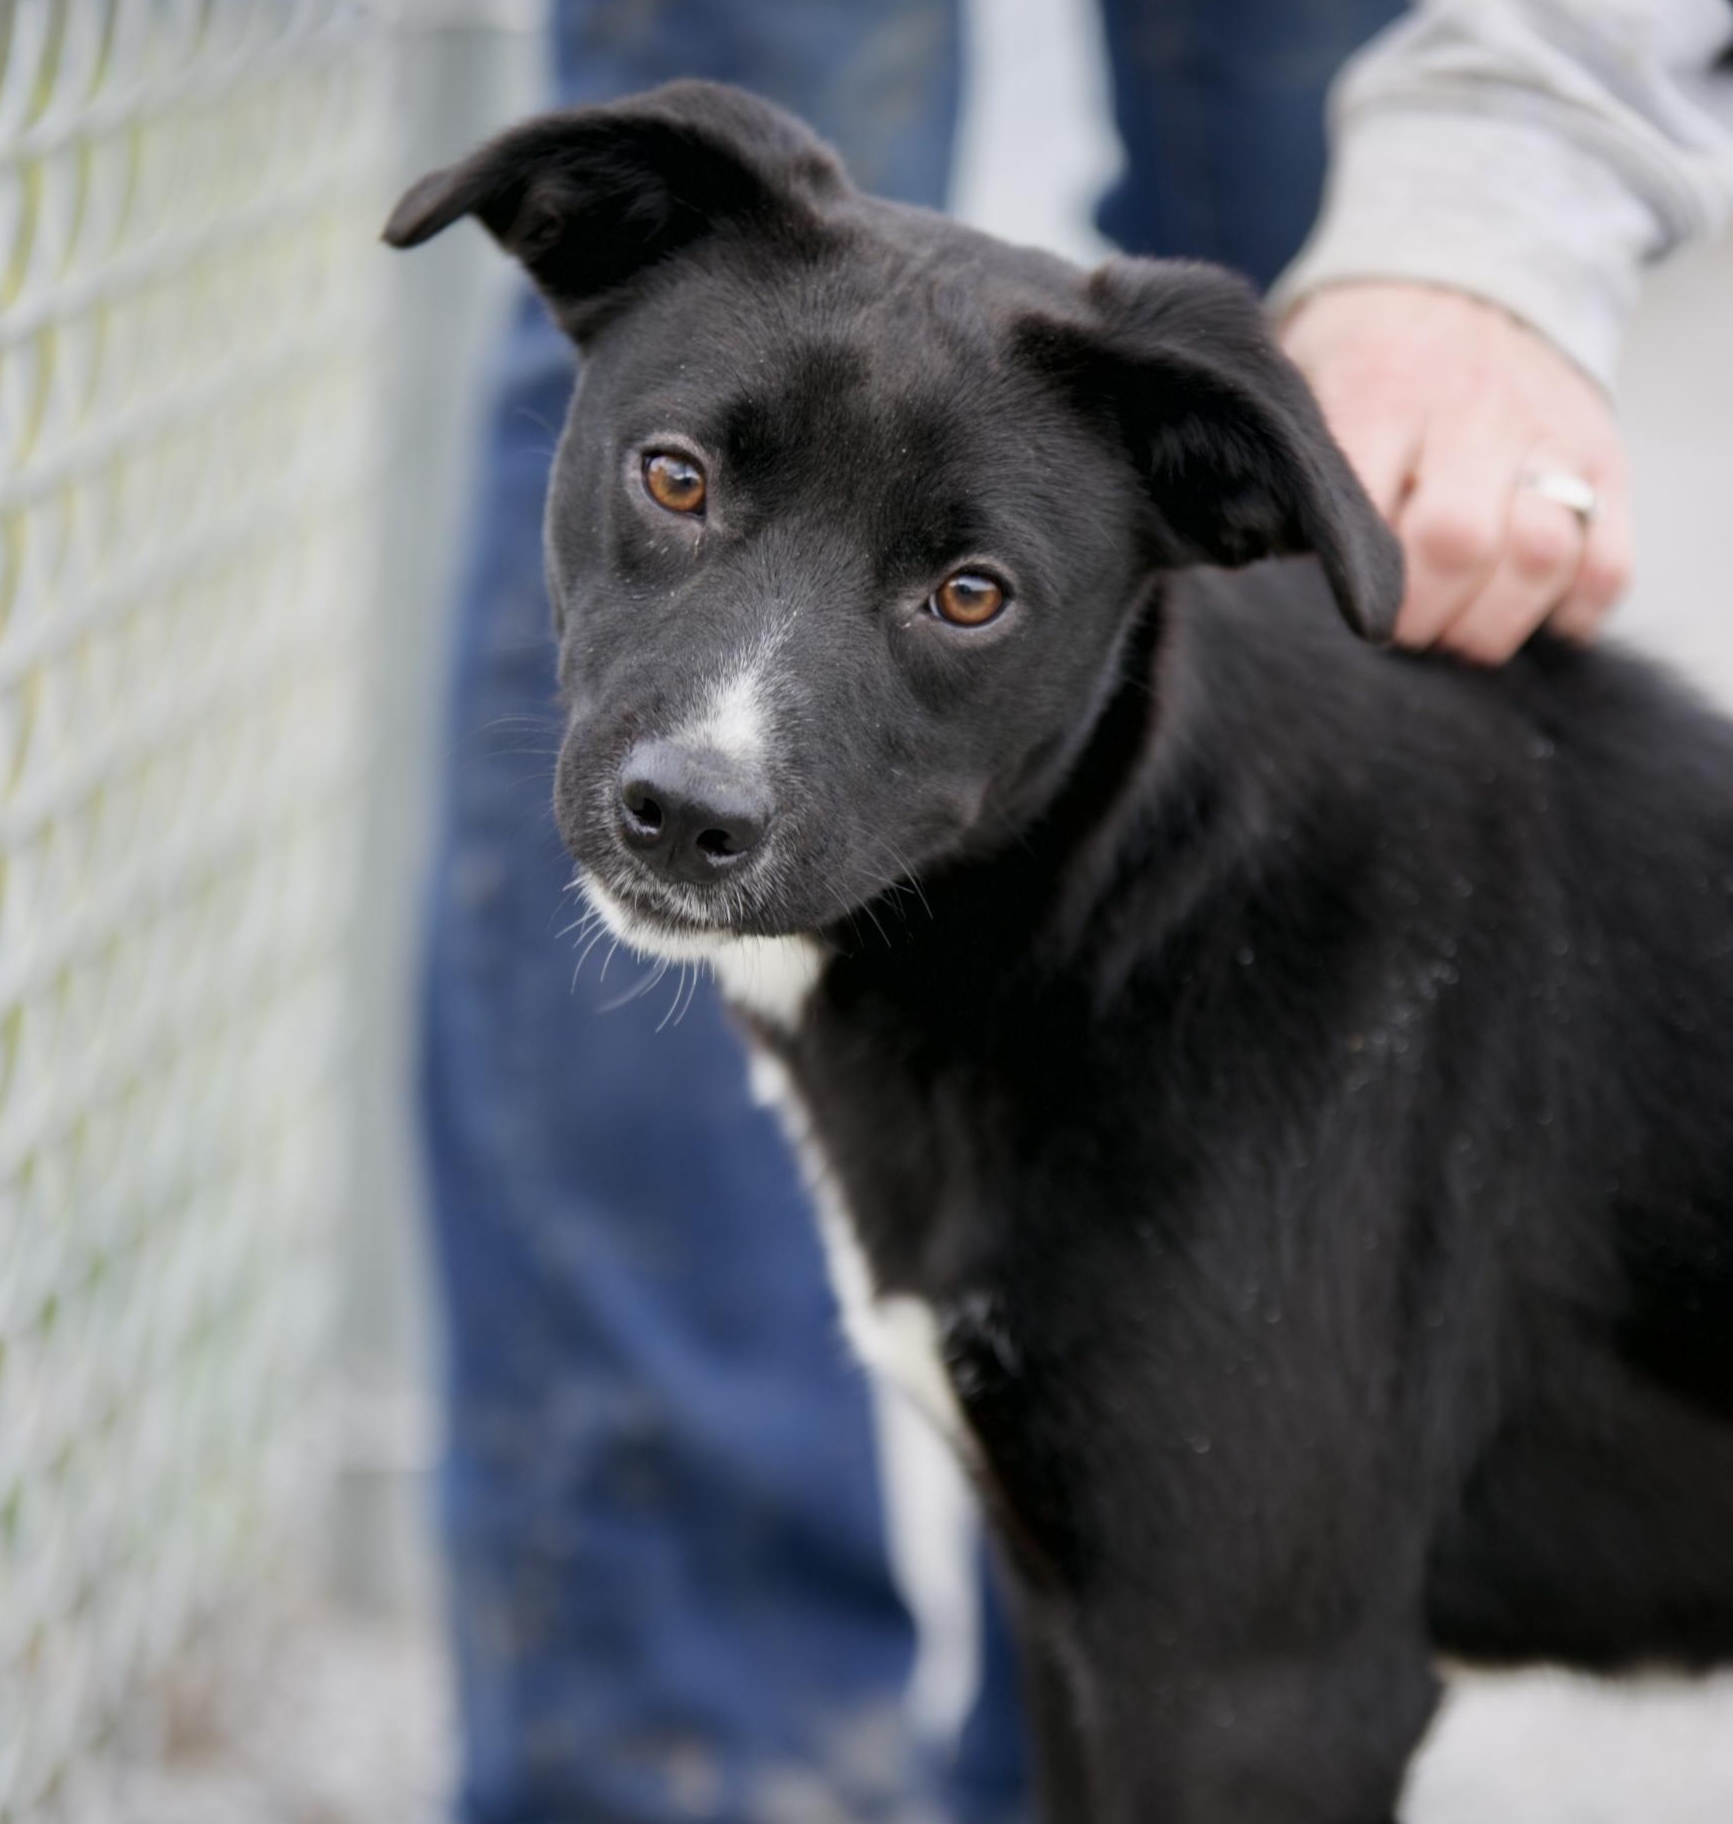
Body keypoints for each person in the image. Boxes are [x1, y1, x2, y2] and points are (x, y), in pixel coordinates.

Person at [417, 4, 1733, 1820]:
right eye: (682, 481)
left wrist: (1502, 206)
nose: (709, 757)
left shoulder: (1300, 962)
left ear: (1226, 500)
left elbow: (1273, 1739)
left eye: (962, 592)